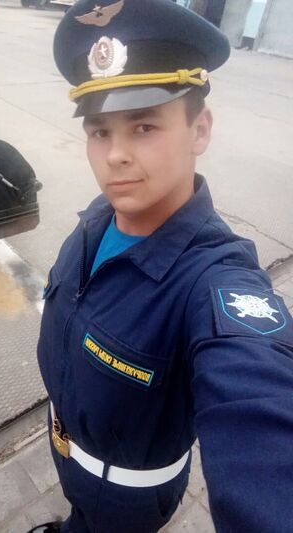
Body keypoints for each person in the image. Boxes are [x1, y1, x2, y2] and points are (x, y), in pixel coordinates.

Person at [29, 1, 293, 531]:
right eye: (99, 131)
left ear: (200, 130)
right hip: (68, 458)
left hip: (124, 504)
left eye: (144, 126)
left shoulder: (214, 281)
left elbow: (260, 411)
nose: (115, 155)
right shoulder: (96, 221)